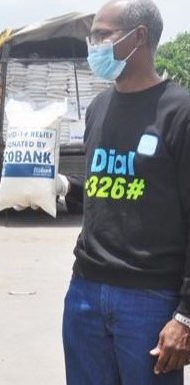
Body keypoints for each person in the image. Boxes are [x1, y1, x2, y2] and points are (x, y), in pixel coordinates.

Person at [58, 1, 190, 384]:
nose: (92, 44)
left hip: (151, 300)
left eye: (102, 34)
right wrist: (66, 189)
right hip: (85, 290)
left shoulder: (179, 112)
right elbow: (114, 190)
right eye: (92, 35)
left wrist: (185, 314)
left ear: (139, 38)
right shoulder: (99, 107)